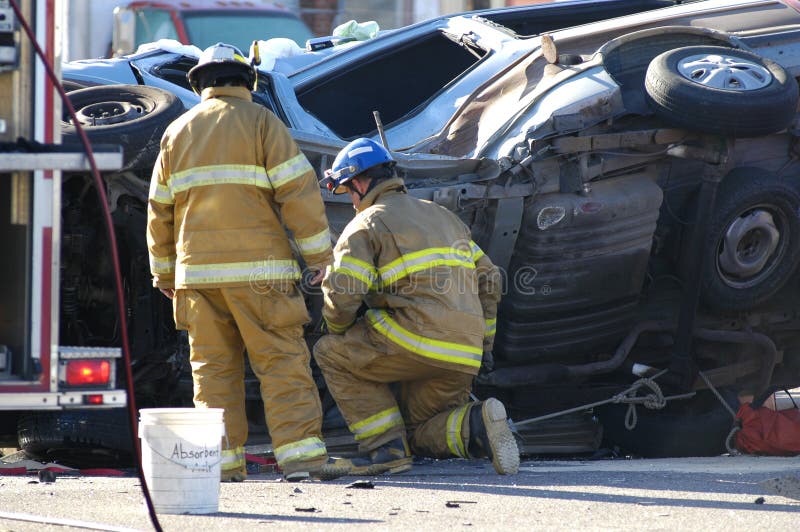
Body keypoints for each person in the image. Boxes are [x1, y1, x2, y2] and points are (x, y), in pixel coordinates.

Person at [146, 43, 348, 482]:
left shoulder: (177, 131)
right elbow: (298, 192)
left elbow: (159, 210)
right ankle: (302, 460)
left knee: (212, 371)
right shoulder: (263, 122)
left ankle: (221, 466)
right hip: (261, 276)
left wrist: (164, 272)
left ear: (200, 83)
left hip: (197, 277)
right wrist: (319, 256)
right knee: (280, 363)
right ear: (247, 82)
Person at [313, 137, 519, 475]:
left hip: (413, 340)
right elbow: (491, 279)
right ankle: (477, 424)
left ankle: (385, 450)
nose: (351, 201)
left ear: (361, 182)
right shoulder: (446, 218)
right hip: (464, 353)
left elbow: (346, 292)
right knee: (422, 428)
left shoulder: (365, 225)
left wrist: (335, 327)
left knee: (330, 352)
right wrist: (484, 345)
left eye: (348, 190)